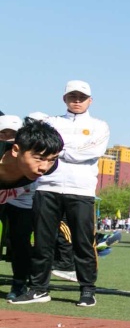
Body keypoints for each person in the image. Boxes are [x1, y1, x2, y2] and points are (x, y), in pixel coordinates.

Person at [11, 82, 110, 307]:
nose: (77, 100)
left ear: (90, 100)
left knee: (83, 242)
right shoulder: (50, 123)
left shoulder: (99, 125)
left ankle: (87, 290)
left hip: (81, 191)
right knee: (43, 242)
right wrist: (66, 149)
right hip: (47, 187)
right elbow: (37, 147)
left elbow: (92, 151)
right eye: (72, 96)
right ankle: (38, 289)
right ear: (64, 99)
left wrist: (57, 149)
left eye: (81, 97)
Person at [2, 119, 64, 301]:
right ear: (15, 150)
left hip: (21, 199)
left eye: (51, 159)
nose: (44, 167)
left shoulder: (49, 168)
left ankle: (19, 284)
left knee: (20, 240)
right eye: (38, 158)